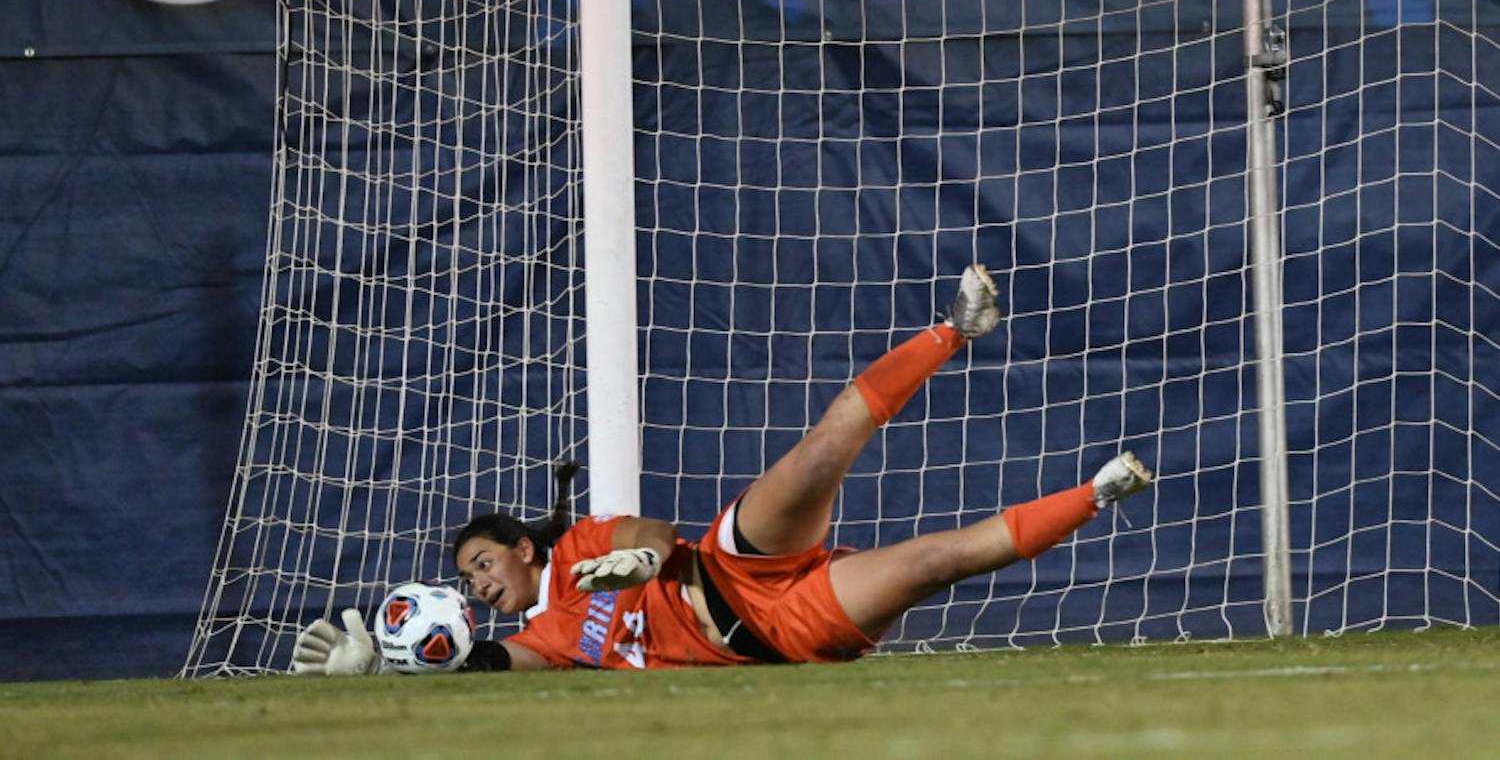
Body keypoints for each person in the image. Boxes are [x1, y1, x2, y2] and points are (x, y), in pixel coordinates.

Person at [292, 264, 1152, 674]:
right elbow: (486, 669)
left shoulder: (582, 539)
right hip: (778, 633)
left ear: (523, 546)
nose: (477, 584)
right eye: (466, 581)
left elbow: (653, 536)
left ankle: (955, 327)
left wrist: (640, 558)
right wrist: (379, 671)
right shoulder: (539, 637)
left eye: (481, 562)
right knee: (935, 561)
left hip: (733, 561)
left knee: (821, 449)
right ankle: (1096, 492)